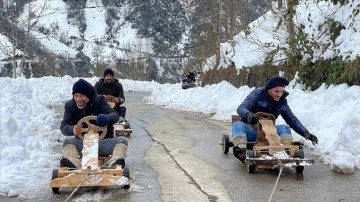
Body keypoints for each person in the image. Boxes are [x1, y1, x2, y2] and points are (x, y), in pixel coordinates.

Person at [232, 76, 318, 162]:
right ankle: (241, 148)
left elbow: (292, 119)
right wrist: (249, 116)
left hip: (270, 133)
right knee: (237, 125)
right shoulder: (257, 94)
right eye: (276, 91)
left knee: (285, 128)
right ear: (269, 89)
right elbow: (241, 108)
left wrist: (306, 133)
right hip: (252, 131)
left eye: (281, 91)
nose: (279, 94)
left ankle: (285, 150)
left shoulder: (282, 101)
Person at [60, 79, 128, 169]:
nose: (78, 99)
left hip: (103, 142)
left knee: (122, 140)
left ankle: (114, 162)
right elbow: (64, 126)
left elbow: (115, 115)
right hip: (83, 144)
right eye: (76, 96)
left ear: (88, 95)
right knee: (67, 141)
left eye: (81, 96)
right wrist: (72, 129)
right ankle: (72, 163)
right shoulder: (70, 105)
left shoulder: (99, 101)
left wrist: (107, 118)